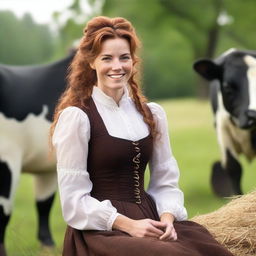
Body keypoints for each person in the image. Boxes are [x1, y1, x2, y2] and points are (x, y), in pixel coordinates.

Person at [50, 16, 234, 256]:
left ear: (133, 61)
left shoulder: (152, 114)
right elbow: (73, 201)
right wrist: (129, 225)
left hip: (150, 220)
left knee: (210, 250)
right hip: (101, 230)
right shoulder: (77, 117)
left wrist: (167, 218)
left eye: (124, 57)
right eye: (107, 58)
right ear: (92, 62)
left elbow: (165, 179)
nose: (117, 66)